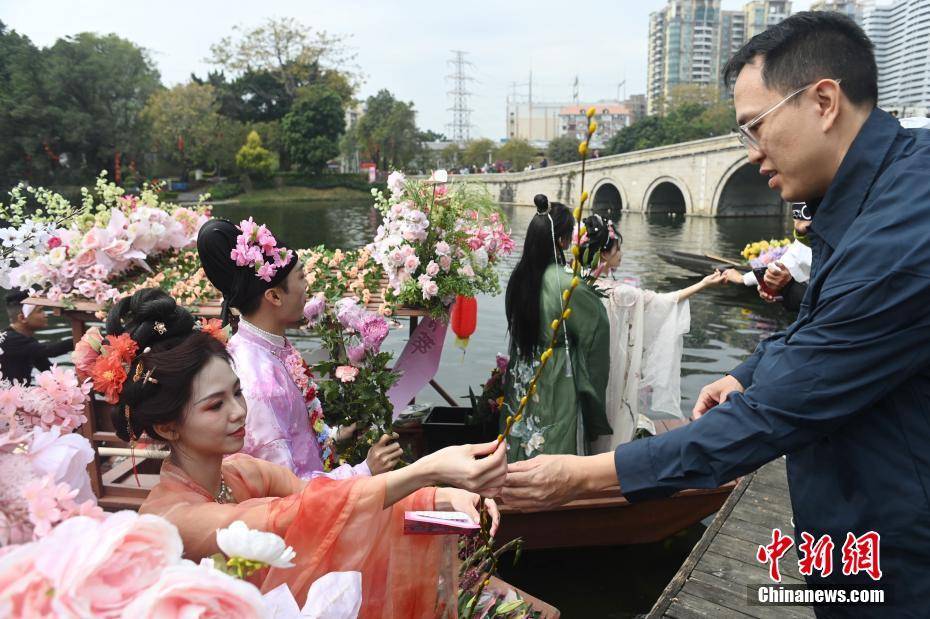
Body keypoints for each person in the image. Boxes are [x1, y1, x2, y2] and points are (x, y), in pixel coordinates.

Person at [502, 12, 930, 615]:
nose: (752, 154)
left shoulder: (904, 231)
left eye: (754, 127)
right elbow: (824, 325)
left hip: (904, 554)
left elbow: (776, 415)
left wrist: (582, 478)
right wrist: (745, 373)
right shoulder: (866, 198)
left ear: (824, 101)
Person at [95, 289, 504, 616]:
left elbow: (326, 502)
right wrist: (429, 471)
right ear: (168, 428)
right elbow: (292, 517)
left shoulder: (237, 472)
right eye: (215, 405)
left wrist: (440, 501)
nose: (239, 411)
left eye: (237, 392)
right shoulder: (170, 519)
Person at [197, 219, 400, 479]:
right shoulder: (257, 382)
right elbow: (286, 489)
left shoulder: (271, 346)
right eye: (302, 277)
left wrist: (334, 437)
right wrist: (365, 470)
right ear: (274, 296)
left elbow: (294, 436)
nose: (307, 286)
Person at [578, 215, 726, 449]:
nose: (621, 253)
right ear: (604, 254)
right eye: (618, 248)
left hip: (584, 366)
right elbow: (666, 301)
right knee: (612, 408)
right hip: (612, 366)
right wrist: (704, 284)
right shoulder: (622, 293)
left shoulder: (576, 285)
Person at [501, 194, 611, 462]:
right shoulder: (565, 283)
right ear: (562, 240)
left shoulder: (519, 276)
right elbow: (596, 330)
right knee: (552, 438)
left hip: (523, 366)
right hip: (556, 370)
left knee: (521, 430)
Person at [723, 205, 814, 311]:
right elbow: (791, 262)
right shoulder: (805, 241)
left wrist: (743, 279)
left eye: (804, 212)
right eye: (795, 213)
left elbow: (792, 263)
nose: (797, 222)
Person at [0, 290, 72, 385]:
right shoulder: (9, 339)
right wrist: (83, 339)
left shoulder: (27, 344)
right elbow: (51, 351)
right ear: (22, 318)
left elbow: (48, 370)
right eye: (40, 311)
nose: (45, 314)